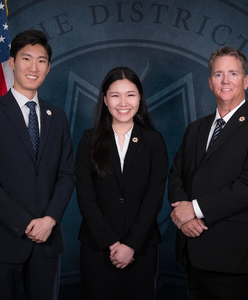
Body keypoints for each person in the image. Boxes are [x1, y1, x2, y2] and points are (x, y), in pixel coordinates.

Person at [168, 47, 248, 300]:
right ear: (210, 83)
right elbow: (176, 174)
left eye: (233, 73)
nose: (226, 80)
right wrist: (185, 219)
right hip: (194, 251)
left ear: (246, 80)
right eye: (218, 74)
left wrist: (194, 209)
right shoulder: (195, 129)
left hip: (235, 257)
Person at [0, 30, 76, 300]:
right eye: (26, 58)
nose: (33, 67)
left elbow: (66, 174)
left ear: (48, 67)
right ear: (12, 62)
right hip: (2, 241)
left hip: (48, 242)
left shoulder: (58, 116)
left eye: (41, 61)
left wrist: (49, 220)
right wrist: (28, 223)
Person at [75, 67, 168, 300]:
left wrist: (130, 245)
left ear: (140, 98)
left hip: (142, 248)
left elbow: (154, 196)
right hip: (97, 247)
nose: (123, 102)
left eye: (131, 94)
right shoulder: (89, 139)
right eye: (115, 95)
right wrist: (111, 242)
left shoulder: (154, 141)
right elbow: (85, 196)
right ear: (105, 100)